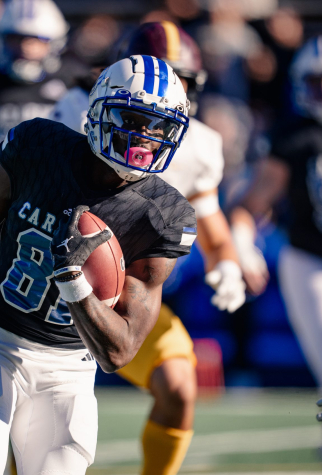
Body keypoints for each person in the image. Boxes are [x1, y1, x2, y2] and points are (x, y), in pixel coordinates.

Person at [0, 55, 197, 475]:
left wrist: (73, 280)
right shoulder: (37, 149)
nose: (145, 137)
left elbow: (118, 352)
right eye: (132, 118)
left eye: (159, 126)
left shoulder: (162, 215)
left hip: (69, 367)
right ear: (99, 110)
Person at [50, 21, 253, 475]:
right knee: (33, 443)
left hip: (129, 298)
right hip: (50, 294)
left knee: (180, 386)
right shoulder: (73, 112)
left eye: (180, 80)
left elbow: (214, 226)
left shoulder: (198, 144)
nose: (167, 93)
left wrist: (228, 263)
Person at [232, 35, 322, 390]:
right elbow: (251, 204)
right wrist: (243, 245)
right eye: (318, 83)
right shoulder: (295, 137)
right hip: (310, 259)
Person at [0, 0, 70, 156]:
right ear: (2, 39)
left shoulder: (72, 78)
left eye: (36, 39)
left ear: (54, 43)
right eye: (16, 38)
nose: (25, 46)